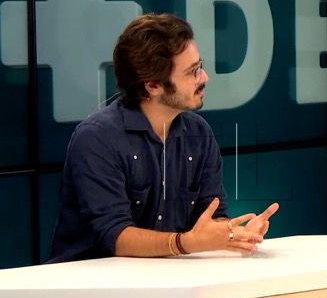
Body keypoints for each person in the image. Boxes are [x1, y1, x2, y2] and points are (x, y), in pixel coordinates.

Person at [48, 13, 278, 263]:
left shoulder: (199, 132)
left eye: (200, 66)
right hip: (90, 281)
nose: (204, 78)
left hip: (169, 277)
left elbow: (210, 217)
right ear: (153, 86)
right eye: (193, 71)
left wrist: (233, 234)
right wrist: (184, 243)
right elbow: (114, 236)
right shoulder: (97, 138)